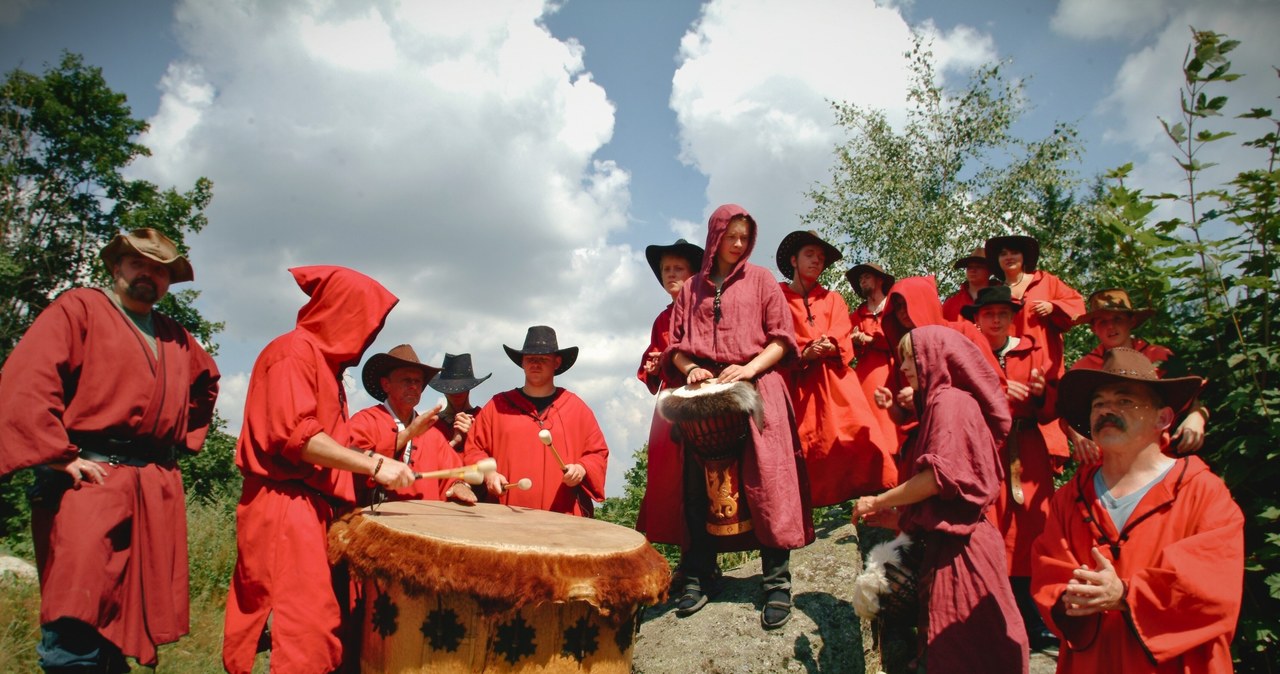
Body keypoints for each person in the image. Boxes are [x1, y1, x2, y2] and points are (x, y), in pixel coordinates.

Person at [0, 228, 219, 673]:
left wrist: (172, 438)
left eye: (159, 271)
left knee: (123, 612)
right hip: (91, 480)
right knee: (76, 608)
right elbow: (26, 382)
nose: (149, 276)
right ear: (116, 266)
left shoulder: (174, 335)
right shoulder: (79, 309)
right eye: (139, 264)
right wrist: (59, 454)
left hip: (150, 488)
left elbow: (205, 384)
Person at [222, 266, 416, 674]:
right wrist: (374, 463)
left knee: (320, 630)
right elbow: (300, 437)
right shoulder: (293, 352)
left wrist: (374, 458)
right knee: (302, 635)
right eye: (365, 321)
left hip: (312, 511)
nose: (369, 334)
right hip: (284, 508)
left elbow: (333, 444)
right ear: (340, 312)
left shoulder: (325, 368)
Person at [1031, 348, 1243, 673]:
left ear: (1163, 418)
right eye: (1098, 403)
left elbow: (1213, 587)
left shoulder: (1202, 491)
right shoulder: (1069, 499)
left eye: (1125, 401)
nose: (1107, 410)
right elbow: (1049, 571)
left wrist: (1127, 594)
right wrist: (1067, 596)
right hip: (1094, 661)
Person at [661, 203, 812, 630]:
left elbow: (783, 341)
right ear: (716, 237)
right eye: (732, 237)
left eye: (745, 237)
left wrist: (748, 369)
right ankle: (701, 575)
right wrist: (691, 369)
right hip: (703, 396)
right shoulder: (691, 289)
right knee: (695, 489)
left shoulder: (763, 280)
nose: (739, 245)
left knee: (767, 485)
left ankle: (776, 583)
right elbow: (676, 347)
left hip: (758, 388)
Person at [853, 326, 1028, 673]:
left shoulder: (950, 401)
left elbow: (938, 479)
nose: (903, 367)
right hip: (952, 547)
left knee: (966, 652)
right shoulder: (940, 403)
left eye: (910, 358)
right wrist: (898, 519)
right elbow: (948, 498)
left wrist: (877, 501)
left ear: (935, 358)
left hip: (964, 552)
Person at [961, 286, 1064, 652]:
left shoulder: (1031, 349)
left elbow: (1052, 408)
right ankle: (996, 619)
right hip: (988, 449)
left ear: (1011, 316)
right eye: (989, 314)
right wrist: (998, 399)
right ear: (977, 318)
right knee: (991, 528)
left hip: (1028, 448)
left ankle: (1036, 618)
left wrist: (1038, 395)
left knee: (1032, 531)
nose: (996, 319)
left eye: (1003, 313)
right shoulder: (969, 353)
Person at [776, 230, 895, 505]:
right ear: (793, 260)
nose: (817, 261)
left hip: (838, 383)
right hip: (799, 384)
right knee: (806, 449)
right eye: (810, 255)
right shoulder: (777, 297)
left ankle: (881, 508)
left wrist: (830, 345)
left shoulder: (833, 299)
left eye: (820, 258)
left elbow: (842, 330)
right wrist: (804, 352)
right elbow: (773, 337)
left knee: (864, 439)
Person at [464, 325, 608, 516]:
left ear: (556, 363)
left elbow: (597, 453)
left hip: (563, 518)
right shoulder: (498, 406)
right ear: (522, 363)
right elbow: (474, 449)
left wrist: (581, 468)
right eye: (530, 359)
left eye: (543, 359)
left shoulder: (575, 407)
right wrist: (489, 474)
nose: (535, 364)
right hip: (505, 515)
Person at [1064, 288, 1207, 462]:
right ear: (1093, 328)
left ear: (1131, 321)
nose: (1111, 326)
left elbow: (1192, 397)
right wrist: (1077, 435)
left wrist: (1196, 417)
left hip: (1162, 456)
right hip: (1105, 463)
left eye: (1118, 319)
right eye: (1102, 321)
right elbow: (1066, 411)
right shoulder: (1083, 369)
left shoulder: (1160, 356)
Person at [348, 344, 478, 505]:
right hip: (373, 525)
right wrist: (408, 434)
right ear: (385, 384)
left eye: (418, 381)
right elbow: (349, 465)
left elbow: (453, 473)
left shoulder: (433, 433)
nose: (414, 386)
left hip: (424, 526)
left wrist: (459, 485)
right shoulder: (365, 422)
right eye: (406, 380)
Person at [636, 239, 703, 549]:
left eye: (679, 268)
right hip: (670, 405)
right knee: (671, 479)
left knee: (703, 478)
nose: (671, 273)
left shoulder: (706, 311)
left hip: (702, 398)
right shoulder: (661, 319)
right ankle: (688, 557)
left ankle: (704, 557)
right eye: (666, 269)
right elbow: (653, 361)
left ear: (693, 274)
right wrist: (653, 364)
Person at [876, 275, 1002, 429]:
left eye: (907, 304)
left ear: (922, 302)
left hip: (965, 432)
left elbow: (992, 389)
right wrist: (890, 405)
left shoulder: (963, 332)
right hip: (924, 441)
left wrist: (922, 395)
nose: (902, 312)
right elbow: (902, 417)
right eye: (898, 307)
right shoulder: (906, 351)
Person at [985, 234, 1084, 377]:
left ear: (1023, 256)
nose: (1009, 257)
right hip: (1010, 369)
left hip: (1046, 366)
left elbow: (1077, 305)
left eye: (1014, 252)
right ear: (998, 260)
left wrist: (1053, 306)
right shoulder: (995, 293)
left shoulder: (1046, 281)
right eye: (1003, 254)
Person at [847, 262, 901, 448]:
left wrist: (870, 340)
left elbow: (901, 339)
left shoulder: (894, 309)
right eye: (860, 279)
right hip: (866, 379)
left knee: (896, 433)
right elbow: (845, 347)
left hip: (896, 375)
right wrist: (853, 340)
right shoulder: (857, 315)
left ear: (880, 280)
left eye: (866, 277)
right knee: (870, 434)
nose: (862, 281)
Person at [428, 352, 491, 454]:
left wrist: (474, 434)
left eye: (461, 388)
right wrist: (454, 442)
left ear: (469, 388)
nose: (456, 392)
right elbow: (428, 460)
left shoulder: (483, 418)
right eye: (450, 388)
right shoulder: (432, 423)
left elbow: (496, 454)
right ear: (443, 390)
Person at [941, 246, 996, 322]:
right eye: (969, 267)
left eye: (978, 267)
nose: (973, 270)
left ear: (990, 271)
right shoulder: (951, 304)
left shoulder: (1002, 301)